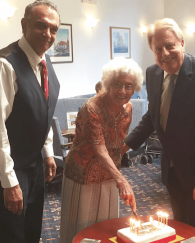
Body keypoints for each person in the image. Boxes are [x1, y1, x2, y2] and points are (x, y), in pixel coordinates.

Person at [122, 18, 195, 243]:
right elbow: (153, 116)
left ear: (182, 43)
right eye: (158, 49)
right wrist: (125, 145)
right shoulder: (153, 73)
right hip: (171, 172)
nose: (165, 53)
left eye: (170, 45)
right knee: (179, 227)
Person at [0, 1, 61, 242]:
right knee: (12, 232)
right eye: (41, 26)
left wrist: (48, 152)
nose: (48, 34)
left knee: (32, 226)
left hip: (32, 160)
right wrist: (9, 182)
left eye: (53, 29)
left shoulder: (44, 61)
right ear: (24, 24)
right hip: (6, 164)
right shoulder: (5, 64)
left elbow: (43, 109)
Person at [59, 57, 143, 243]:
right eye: (117, 84)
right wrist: (122, 181)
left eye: (128, 86)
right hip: (83, 174)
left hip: (109, 174)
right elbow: (100, 148)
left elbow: (117, 143)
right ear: (108, 84)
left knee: (107, 225)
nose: (122, 91)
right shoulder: (92, 107)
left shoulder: (128, 108)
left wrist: (117, 173)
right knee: (82, 226)